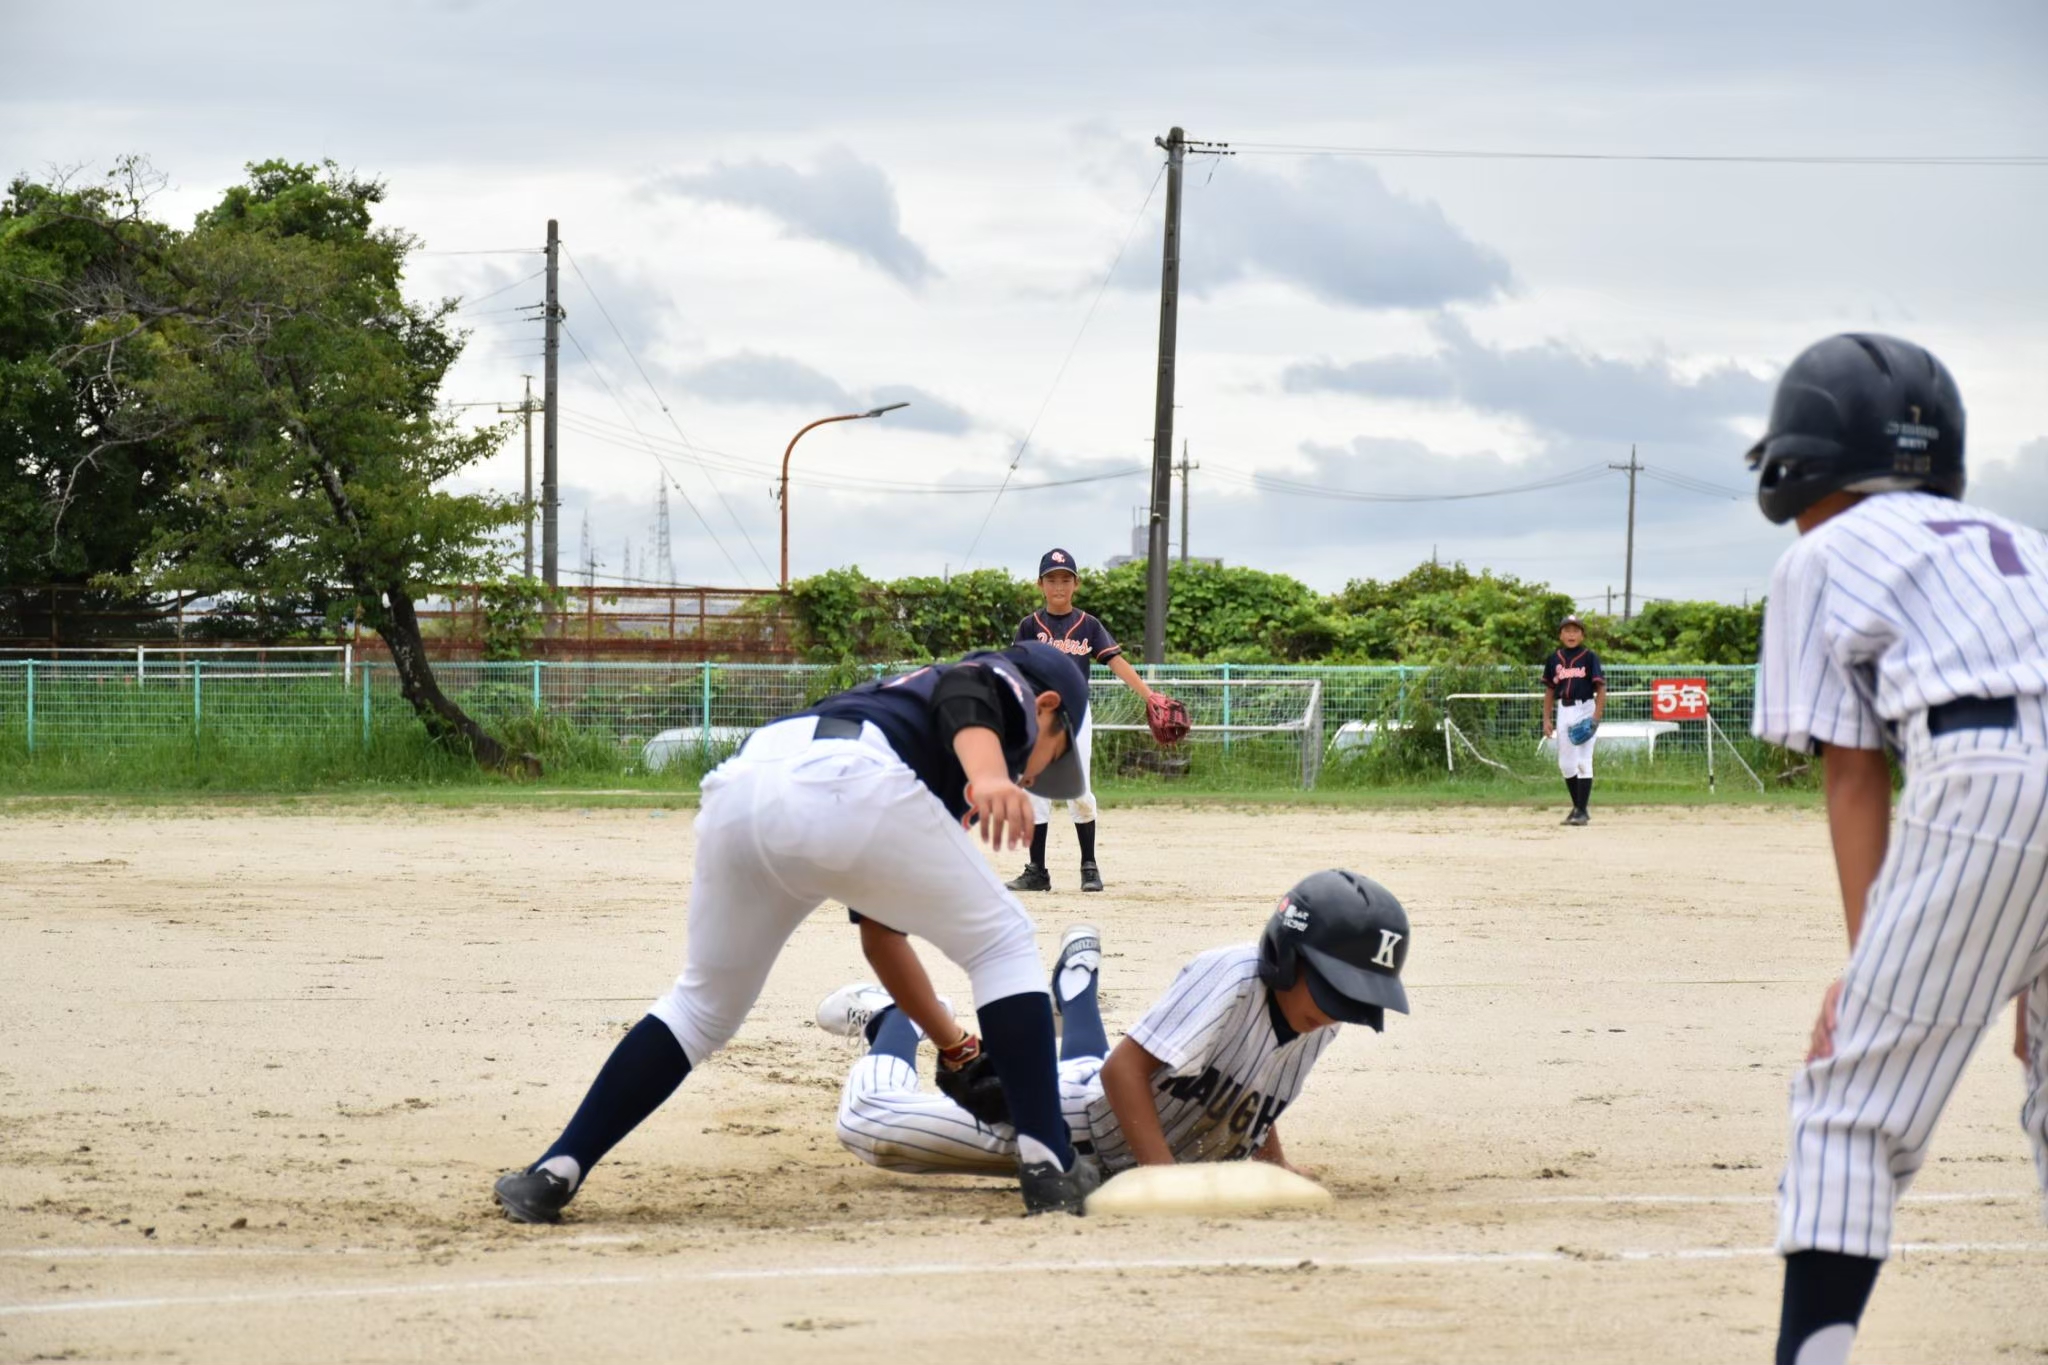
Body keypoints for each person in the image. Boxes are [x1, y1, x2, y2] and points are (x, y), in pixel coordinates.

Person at [491, 642, 1103, 1223]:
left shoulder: (916, 747)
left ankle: (553, 1173)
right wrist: (992, 774)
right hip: (846, 776)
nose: (1032, 776)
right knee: (1004, 942)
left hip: (747, 785)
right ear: (1046, 707)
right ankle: (1049, 1162)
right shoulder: (1005, 689)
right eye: (1052, 754)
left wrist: (956, 1047)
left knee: (701, 1006)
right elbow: (972, 683)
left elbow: (881, 939)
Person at [1746, 333, 2048, 1365]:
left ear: (1804, 463)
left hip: (1983, 781)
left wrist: (1865, 963)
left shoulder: (1818, 555)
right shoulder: (2019, 540)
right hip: (2014, 776)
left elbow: (1852, 770)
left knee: (1847, 1106)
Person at [815, 869, 1411, 1181]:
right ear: (1288, 956)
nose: (1342, 1008)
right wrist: (1161, 1181)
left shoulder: (1321, 1017)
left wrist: (1272, 1163)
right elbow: (1126, 1068)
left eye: (1358, 997)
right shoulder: (1234, 978)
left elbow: (1252, 1094)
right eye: (1336, 988)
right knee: (871, 1128)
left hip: (1121, 1113)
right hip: (1074, 1127)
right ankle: (895, 1020)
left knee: (1085, 1069)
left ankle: (1077, 983)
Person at [1007, 547, 1163, 893]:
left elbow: (1116, 662)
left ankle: (1089, 866)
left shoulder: (1088, 625)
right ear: (1040, 584)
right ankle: (1037, 871)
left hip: (1076, 715)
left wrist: (1149, 695)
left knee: (1078, 790)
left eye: (1065, 579)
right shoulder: (1029, 626)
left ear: (1075, 584)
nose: (1058, 586)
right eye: (1052, 580)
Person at [1541, 614, 1606, 826]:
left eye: (1576, 630)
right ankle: (1579, 809)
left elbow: (1600, 687)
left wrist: (1595, 717)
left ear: (1582, 635)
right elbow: (1550, 689)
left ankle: (1581, 811)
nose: (1571, 634)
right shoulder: (1554, 659)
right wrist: (1546, 718)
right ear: (1560, 635)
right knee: (1566, 764)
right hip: (1564, 710)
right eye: (1567, 630)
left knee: (1583, 760)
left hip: (1585, 708)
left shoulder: (1589, 657)